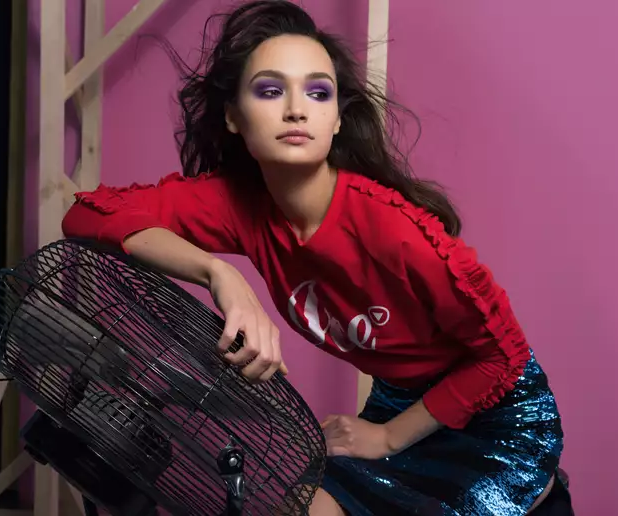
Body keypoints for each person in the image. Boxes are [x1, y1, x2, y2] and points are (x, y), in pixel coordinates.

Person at [61, 1, 573, 514]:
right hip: (399, 399)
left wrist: (389, 437)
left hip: (493, 417)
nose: (296, 109)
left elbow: (501, 358)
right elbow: (88, 215)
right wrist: (218, 274)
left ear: (336, 119)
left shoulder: (395, 231)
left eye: (317, 92)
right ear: (234, 117)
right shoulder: (239, 206)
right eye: (269, 90)